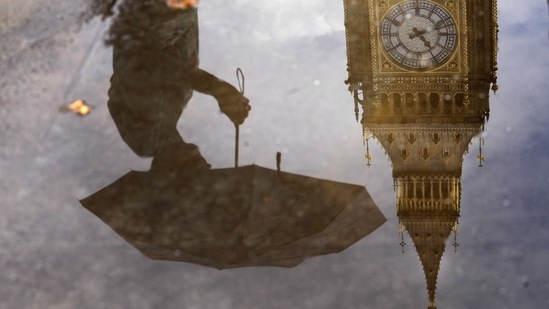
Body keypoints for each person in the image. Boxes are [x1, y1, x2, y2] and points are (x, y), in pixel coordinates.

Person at [105, 0, 250, 158]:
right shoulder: (173, 111)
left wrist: (217, 89)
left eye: (202, 177)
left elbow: (148, 66)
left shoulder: (147, 140)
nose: (208, 165)